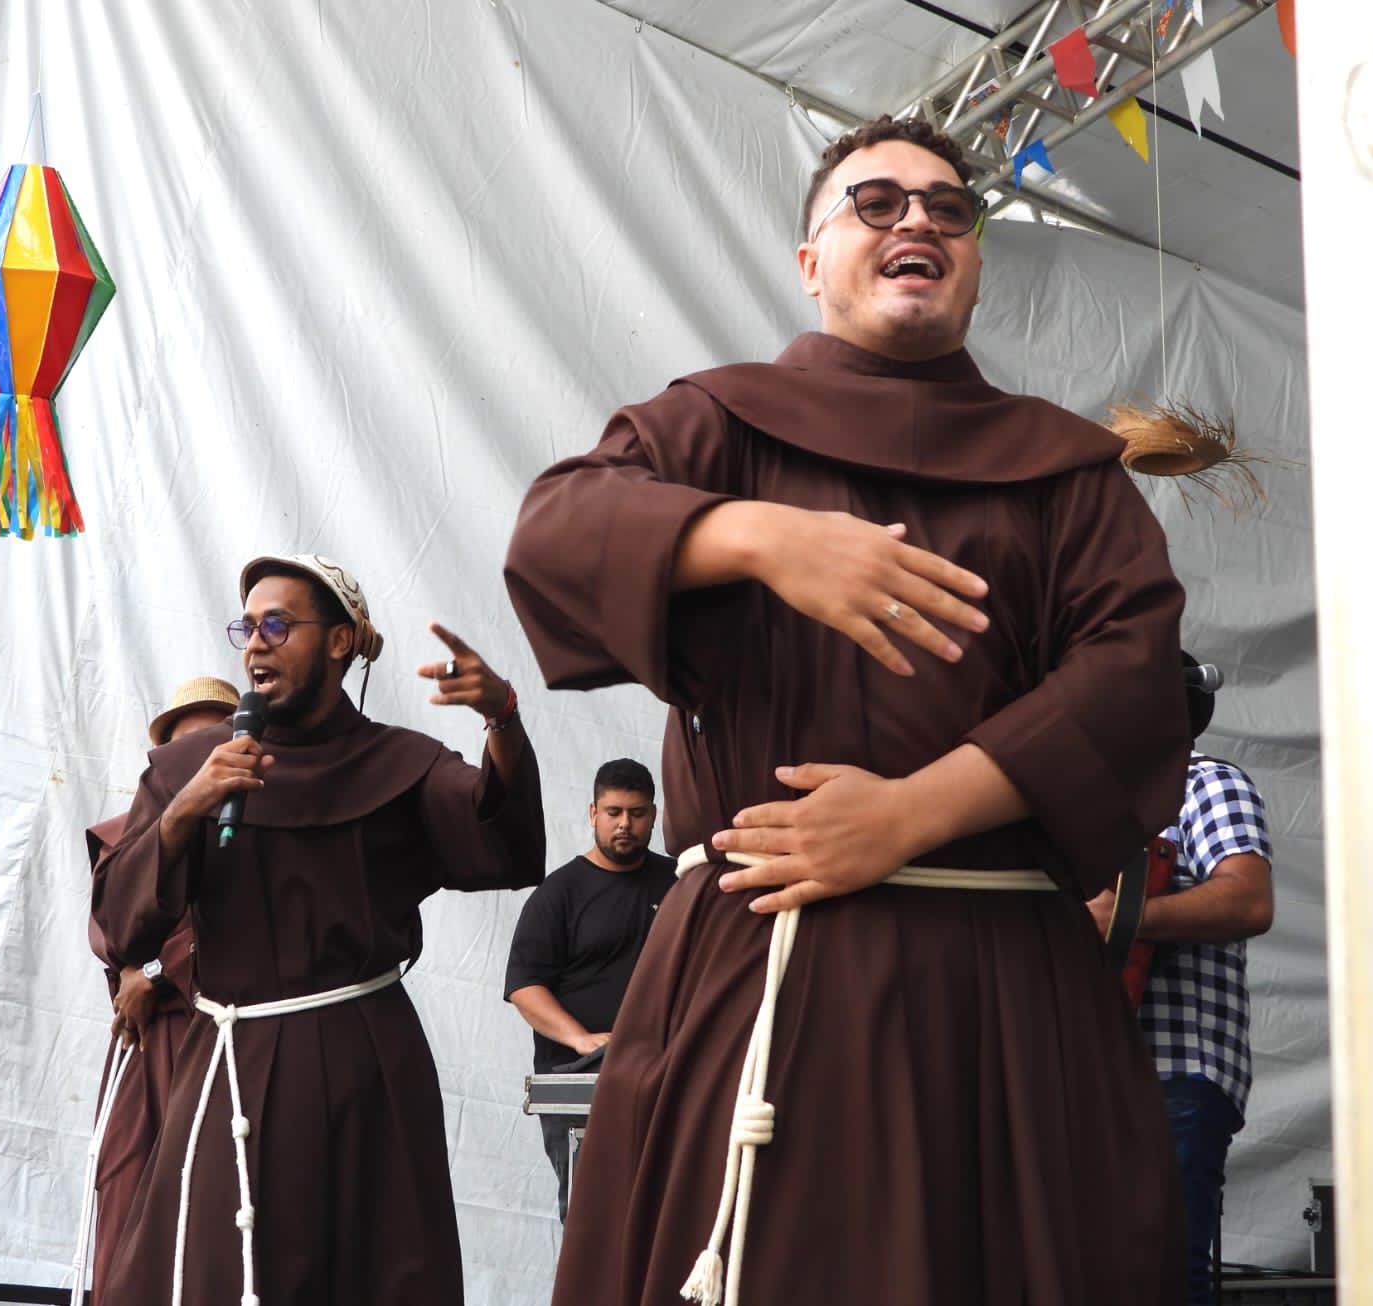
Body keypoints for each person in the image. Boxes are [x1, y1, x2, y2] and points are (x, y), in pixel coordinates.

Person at [504, 115, 1191, 1305]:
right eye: (875, 202)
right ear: (811, 258)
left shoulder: (1068, 472)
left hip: (1003, 995)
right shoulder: (716, 423)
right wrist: (759, 536)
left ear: (972, 263)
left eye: (947, 207)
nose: (918, 218)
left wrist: (912, 814)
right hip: (756, 962)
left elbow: (1134, 676)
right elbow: (556, 532)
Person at [92, 552, 545, 1306]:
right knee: (213, 1269)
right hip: (227, 1058)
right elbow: (119, 925)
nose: (255, 643)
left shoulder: (401, 762)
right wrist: (182, 814)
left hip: (365, 1065)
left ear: (340, 642)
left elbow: (503, 844)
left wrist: (502, 719)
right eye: (247, 626)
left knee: (371, 1269)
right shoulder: (189, 767)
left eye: (278, 624)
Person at [1088, 654, 1274, 1306]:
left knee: (1160, 1276)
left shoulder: (1205, 784)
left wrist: (1123, 917)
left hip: (1173, 1074)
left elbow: (1247, 902)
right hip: (1080, 1076)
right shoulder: (1081, 810)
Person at [83, 675, 241, 1296]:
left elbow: (241, 931)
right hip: (146, 1044)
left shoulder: (254, 838)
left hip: (223, 1038)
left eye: (214, 736)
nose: (200, 750)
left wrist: (152, 971)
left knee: (208, 1197)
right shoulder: (131, 833)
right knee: (124, 1183)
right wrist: (130, 970)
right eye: (185, 740)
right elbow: (109, 927)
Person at [504, 757, 676, 1220]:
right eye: (614, 812)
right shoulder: (560, 893)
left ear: (654, 816)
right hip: (579, 1080)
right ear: (592, 813)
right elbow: (525, 985)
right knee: (592, 1221)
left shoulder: (680, 884)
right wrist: (583, 1040)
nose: (625, 824)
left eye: (637, 813)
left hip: (666, 1074)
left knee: (669, 1219)